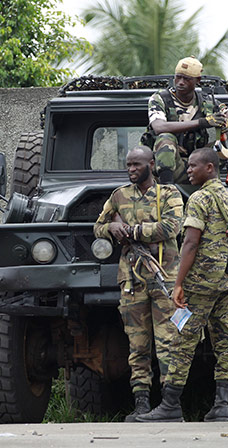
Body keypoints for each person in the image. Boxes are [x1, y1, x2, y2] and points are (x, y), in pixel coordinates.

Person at [136, 148, 228, 423]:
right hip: (227, 280)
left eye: (194, 166)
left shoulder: (199, 198)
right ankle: (222, 406)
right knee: (226, 342)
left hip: (201, 284)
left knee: (181, 341)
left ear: (210, 167)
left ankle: (170, 405)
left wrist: (179, 284)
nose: (189, 170)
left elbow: (191, 242)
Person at [93, 146, 184, 422]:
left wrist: (130, 231)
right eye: (128, 165)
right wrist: (110, 228)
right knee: (138, 345)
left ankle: (171, 405)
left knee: (169, 341)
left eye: (136, 164)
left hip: (164, 278)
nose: (131, 169)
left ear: (152, 164)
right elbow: (98, 226)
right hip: (132, 280)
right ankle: (142, 405)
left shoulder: (169, 194)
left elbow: (171, 227)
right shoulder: (119, 196)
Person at [146, 56, 228, 184]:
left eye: (186, 79)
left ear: (197, 80)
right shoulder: (160, 98)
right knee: (165, 138)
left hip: (202, 167)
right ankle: (167, 192)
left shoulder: (207, 101)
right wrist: (203, 122)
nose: (180, 82)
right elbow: (159, 127)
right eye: (178, 77)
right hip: (173, 166)